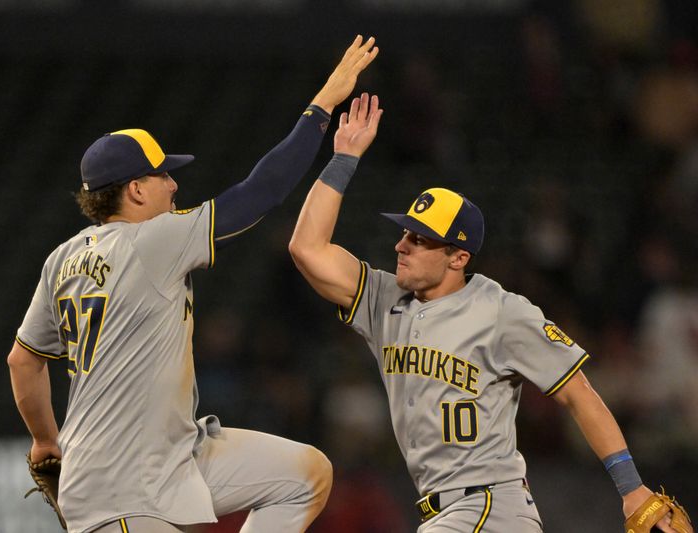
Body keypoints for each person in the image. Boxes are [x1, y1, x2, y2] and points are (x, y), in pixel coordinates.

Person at [7, 35, 378, 533]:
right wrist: (322, 105)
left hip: (166, 455)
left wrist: (45, 442)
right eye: (163, 175)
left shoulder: (63, 258)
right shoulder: (150, 241)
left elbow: (23, 360)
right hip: (121, 488)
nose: (175, 184)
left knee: (305, 476)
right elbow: (260, 192)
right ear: (135, 189)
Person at [288, 93, 693, 532]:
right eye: (405, 233)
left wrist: (631, 487)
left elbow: (578, 393)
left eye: (420, 239)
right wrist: (344, 158)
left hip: (487, 506)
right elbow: (306, 248)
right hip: (447, 512)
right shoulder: (383, 300)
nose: (401, 246)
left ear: (458, 257)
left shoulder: (502, 311)